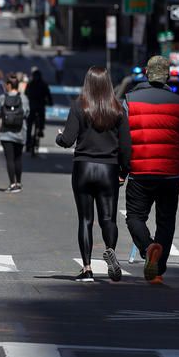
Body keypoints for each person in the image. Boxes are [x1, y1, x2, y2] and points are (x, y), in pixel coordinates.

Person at [124, 55, 179, 284]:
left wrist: (121, 167)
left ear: (147, 73)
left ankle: (148, 248)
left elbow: (123, 139)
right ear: (166, 75)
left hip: (140, 170)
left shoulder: (129, 100)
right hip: (170, 172)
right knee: (166, 221)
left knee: (135, 217)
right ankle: (158, 269)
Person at [56, 67, 132, 282]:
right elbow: (126, 146)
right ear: (108, 83)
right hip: (108, 168)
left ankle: (87, 268)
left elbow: (68, 140)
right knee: (108, 218)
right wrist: (124, 171)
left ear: (88, 82)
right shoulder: (117, 109)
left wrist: (59, 138)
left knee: (85, 219)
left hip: (83, 167)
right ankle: (110, 250)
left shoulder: (80, 105)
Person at [0, 73, 29, 193]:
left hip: (6, 133)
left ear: (9, 85)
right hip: (20, 132)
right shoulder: (23, 98)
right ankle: (19, 182)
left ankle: (12, 183)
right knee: (18, 158)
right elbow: (26, 113)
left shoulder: (2, 98)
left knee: (9, 159)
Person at [24, 69, 53, 154]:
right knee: (41, 117)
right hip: (40, 106)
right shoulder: (43, 84)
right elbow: (48, 95)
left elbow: (26, 93)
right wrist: (50, 102)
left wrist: (30, 98)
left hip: (32, 107)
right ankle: (40, 129)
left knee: (29, 125)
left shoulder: (30, 84)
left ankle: (28, 142)